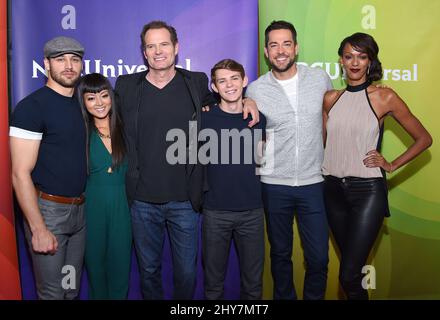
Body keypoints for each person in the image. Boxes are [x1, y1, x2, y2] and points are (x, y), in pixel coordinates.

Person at [114, 20, 259, 300]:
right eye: (151, 46)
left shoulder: (195, 82)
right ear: (144, 52)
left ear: (176, 48)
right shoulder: (127, 86)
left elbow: (227, 99)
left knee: (187, 273)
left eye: (164, 44)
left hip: (185, 202)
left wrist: (250, 100)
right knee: (149, 272)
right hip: (142, 201)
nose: (158, 52)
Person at [322, 32, 432, 300]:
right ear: (341, 61)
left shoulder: (385, 97)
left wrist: (391, 164)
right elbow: (327, 145)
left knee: (348, 274)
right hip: (332, 191)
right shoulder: (330, 99)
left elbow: (424, 139)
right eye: (349, 57)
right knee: (352, 275)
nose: (355, 63)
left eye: (362, 56)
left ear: (370, 61)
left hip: (367, 191)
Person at [246, 20, 332, 300]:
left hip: (314, 182)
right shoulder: (255, 90)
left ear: (296, 47)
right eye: (274, 45)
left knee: (319, 258)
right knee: (280, 256)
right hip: (273, 184)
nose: (280, 50)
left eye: (286, 43)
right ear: (266, 51)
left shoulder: (319, 78)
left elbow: (331, 122)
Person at [10, 36, 86, 299]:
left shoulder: (81, 105)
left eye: (74, 60)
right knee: (53, 293)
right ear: (46, 64)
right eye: (60, 59)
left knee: (70, 289)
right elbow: (19, 174)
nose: (68, 65)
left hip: (80, 213)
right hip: (48, 213)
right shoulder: (32, 107)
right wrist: (38, 228)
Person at [201, 59, 266, 300]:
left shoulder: (260, 119)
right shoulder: (203, 119)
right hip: (214, 212)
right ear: (214, 87)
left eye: (234, 78)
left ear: (245, 80)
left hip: (252, 212)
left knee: (253, 286)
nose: (229, 85)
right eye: (222, 80)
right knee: (213, 285)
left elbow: (263, 162)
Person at [76, 73, 132, 299]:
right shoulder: (80, 133)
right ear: (83, 102)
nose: (99, 103)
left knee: (121, 270)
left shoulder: (126, 128)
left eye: (103, 95)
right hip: (92, 208)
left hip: (123, 208)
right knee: (96, 271)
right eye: (91, 98)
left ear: (111, 96)